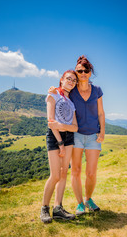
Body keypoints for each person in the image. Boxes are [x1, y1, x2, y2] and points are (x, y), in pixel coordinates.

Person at [48, 55, 105, 215]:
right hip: (76, 136)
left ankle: (88, 199)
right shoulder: (72, 91)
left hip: (94, 135)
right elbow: (61, 93)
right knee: (76, 171)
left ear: (90, 72)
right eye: (79, 71)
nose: (83, 73)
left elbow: (101, 112)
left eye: (86, 70)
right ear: (76, 72)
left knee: (91, 173)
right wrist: (53, 90)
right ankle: (80, 204)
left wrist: (102, 131)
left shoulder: (97, 90)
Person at [40, 70, 78, 223]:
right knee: (55, 175)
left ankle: (58, 209)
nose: (71, 82)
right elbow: (51, 122)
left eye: (74, 80)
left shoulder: (71, 102)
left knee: (63, 174)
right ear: (61, 80)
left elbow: (75, 127)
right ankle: (44, 208)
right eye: (68, 78)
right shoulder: (53, 94)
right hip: (55, 137)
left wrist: (63, 126)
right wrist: (60, 143)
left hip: (69, 138)